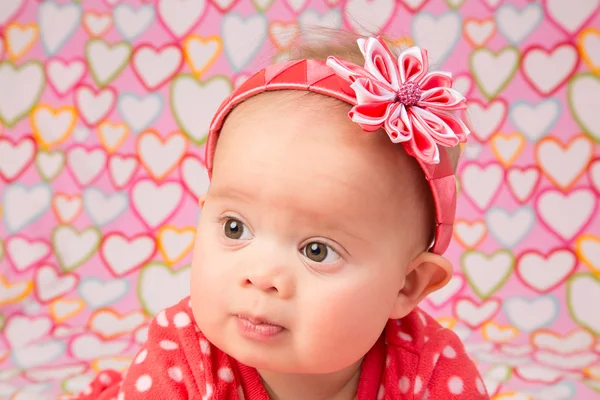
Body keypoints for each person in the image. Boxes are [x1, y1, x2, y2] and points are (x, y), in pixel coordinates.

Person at [75, 31, 489, 400]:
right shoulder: (181, 358)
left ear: (407, 285)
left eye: (317, 251)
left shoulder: (430, 371)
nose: (261, 275)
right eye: (235, 228)